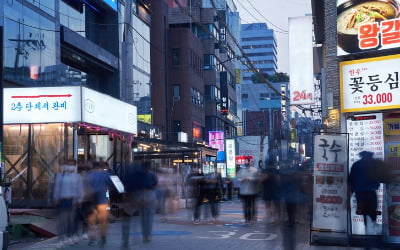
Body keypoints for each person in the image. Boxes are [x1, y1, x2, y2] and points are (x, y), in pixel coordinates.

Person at [349, 151, 382, 235]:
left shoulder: (356, 165)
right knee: (372, 212)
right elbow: (380, 178)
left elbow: (351, 181)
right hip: (371, 193)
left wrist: (350, 194)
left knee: (364, 212)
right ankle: (373, 231)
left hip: (360, 194)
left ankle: (367, 230)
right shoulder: (374, 165)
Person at [52, 160, 82, 248]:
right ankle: (61, 238)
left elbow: (79, 189)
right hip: (62, 200)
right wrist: (55, 198)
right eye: (68, 165)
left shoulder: (77, 177)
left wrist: (79, 200)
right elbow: (57, 188)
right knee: (62, 221)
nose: (70, 167)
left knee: (71, 220)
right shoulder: (60, 176)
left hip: (72, 200)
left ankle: (70, 236)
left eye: (72, 165)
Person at [86, 161, 113, 246]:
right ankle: (103, 237)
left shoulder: (89, 175)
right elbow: (110, 187)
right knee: (103, 220)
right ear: (101, 167)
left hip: (91, 202)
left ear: (93, 167)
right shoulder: (106, 175)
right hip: (103, 201)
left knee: (91, 221)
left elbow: (85, 188)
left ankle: (93, 238)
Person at [131, 161, 158, 243]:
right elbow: (155, 184)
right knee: (149, 217)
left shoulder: (138, 175)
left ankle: (144, 235)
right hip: (150, 195)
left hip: (140, 195)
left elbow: (135, 186)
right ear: (150, 167)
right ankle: (148, 235)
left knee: (143, 217)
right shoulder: (152, 175)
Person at [237, 157, 260, 225]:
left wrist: (250, 179)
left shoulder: (255, 170)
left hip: (252, 191)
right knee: (245, 205)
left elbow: (257, 178)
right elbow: (238, 178)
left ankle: (252, 218)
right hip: (244, 191)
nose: (246, 163)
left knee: (251, 205)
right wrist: (242, 179)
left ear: (250, 162)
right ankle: (247, 219)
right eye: (245, 162)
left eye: (248, 161)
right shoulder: (241, 170)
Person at [261, 158, 282, 224]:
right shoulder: (277, 171)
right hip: (276, 190)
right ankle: (276, 218)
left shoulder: (265, 171)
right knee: (276, 205)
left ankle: (271, 218)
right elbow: (279, 181)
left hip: (267, 190)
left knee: (268, 205)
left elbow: (261, 180)